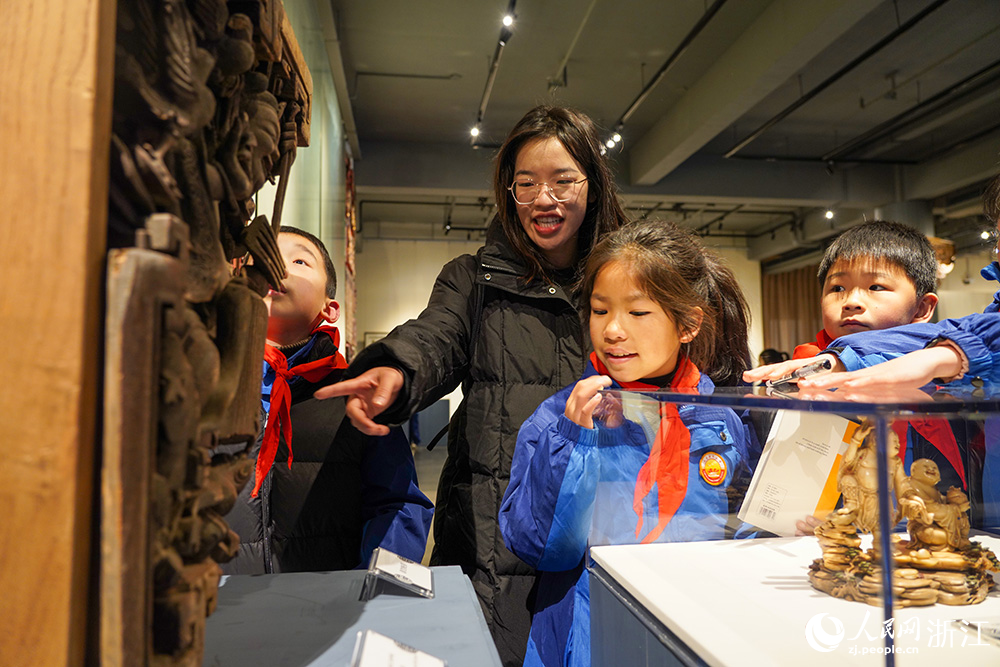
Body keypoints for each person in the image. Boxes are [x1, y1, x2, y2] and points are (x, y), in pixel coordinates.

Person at [315, 106, 628, 665]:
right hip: (490, 530)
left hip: (603, 525)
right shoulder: (473, 277)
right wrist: (398, 370)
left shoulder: (625, 278)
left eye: (562, 181)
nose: (542, 199)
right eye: (525, 183)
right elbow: (437, 336)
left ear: (593, 185)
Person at [499, 220, 756, 667]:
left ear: (688, 324)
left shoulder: (720, 421)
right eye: (600, 310)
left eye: (637, 313)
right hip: (593, 636)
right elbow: (543, 549)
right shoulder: (557, 418)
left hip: (699, 630)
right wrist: (573, 439)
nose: (613, 330)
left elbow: (740, 532)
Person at [222, 226, 433, 574]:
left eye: (299, 260)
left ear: (330, 308)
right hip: (216, 610)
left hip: (327, 610)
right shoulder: (206, 390)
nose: (274, 265)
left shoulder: (354, 398)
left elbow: (397, 503)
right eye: (260, 258)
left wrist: (377, 588)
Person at [792, 220, 938, 360]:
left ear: (921, 308)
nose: (851, 302)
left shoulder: (943, 363)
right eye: (838, 288)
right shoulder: (809, 362)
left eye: (876, 287)